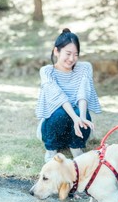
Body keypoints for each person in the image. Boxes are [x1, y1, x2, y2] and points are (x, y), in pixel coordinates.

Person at [35, 28, 102, 162]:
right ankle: (51, 150)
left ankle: (76, 148)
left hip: (76, 130)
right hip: (53, 127)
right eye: (68, 53)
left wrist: (81, 117)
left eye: (76, 54)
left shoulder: (84, 68)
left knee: (81, 111)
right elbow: (59, 97)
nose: (72, 59)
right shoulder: (47, 71)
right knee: (60, 112)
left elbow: (83, 93)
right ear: (56, 51)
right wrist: (75, 118)